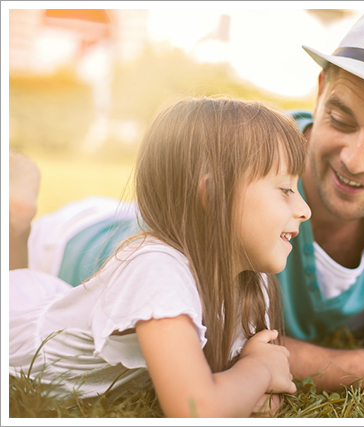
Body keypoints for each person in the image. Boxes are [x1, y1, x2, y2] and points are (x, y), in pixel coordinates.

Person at [24, 10, 364, 397]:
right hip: (73, 245)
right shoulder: (242, 166)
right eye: (341, 119)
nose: (355, 159)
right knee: (18, 217)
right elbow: (220, 349)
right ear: (321, 93)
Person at [9, 96, 312, 418]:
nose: (304, 211)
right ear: (212, 195)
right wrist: (260, 368)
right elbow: (196, 410)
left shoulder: (253, 280)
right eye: (284, 189)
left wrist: (248, 386)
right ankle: (14, 222)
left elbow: (254, 399)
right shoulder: (155, 267)